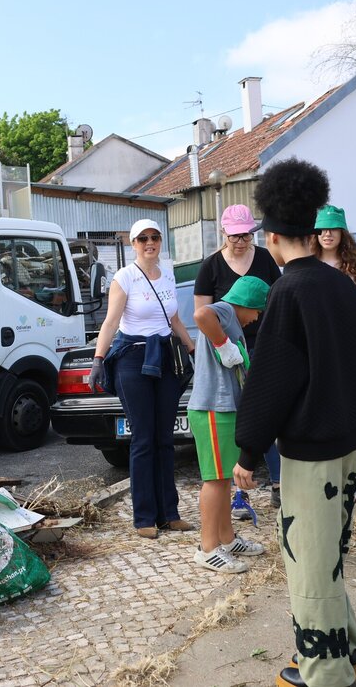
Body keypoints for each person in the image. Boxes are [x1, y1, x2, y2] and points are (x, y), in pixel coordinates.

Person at [232, 158, 356, 687]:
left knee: (309, 563)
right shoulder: (342, 285)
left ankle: (325, 673)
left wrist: (247, 452)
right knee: (329, 557)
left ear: (272, 236)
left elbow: (272, 382)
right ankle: (351, 655)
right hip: (348, 445)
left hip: (311, 452)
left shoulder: (288, 292)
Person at [89, 218, 196, 539]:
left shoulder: (167, 275)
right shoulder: (125, 277)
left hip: (164, 357)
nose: (150, 243)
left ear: (160, 241)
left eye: (155, 237)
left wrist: (192, 349)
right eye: (142, 238)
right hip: (133, 360)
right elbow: (110, 322)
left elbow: (174, 317)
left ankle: (170, 514)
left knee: (165, 439)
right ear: (133, 244)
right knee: (144, 439)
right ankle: (144, 517)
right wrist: (98, 358)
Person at [194, 204, 283, 514]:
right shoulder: (211, 268)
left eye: (246, 234)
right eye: (235, 236)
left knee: (265, 416)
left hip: (260, 345)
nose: (242, 241)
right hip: (229, 355)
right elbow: (202, 315)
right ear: (224, 234)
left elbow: (276, 304)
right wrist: (222, 345)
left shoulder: (266, 260)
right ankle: (240, 495)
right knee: (238, 423)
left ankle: (278, 482)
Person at [189, 275, 269, 573]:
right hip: (212, 407)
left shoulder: (234, 320)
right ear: (246, 303)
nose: (257, 318)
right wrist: (223, 344)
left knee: (224, 479)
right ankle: (208, 548)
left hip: (225, 408)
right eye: (257, 311)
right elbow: (200, 314)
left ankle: (227, 538)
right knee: (215, 480)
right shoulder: (225, 310)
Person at [314, 205, 356, 504]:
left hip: (351, 346)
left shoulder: (355, 266)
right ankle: (328, 474)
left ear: (342, 232)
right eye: (322, 229)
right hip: (319, 348)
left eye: (332, 228)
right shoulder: (307, 263)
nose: (327, 234)